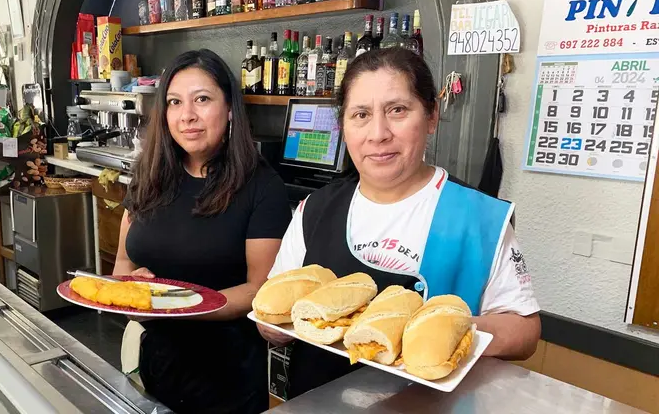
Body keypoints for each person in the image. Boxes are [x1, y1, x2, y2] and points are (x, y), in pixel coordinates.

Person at [258, 48, 541, 397]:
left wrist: (443, 329)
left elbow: (524, 333)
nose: (378, 133)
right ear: (343, 126)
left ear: (431, 117)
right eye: (361, 114)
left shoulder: (480, 217)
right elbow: (272, 314)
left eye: (398, 110)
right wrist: (276, 327)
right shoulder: (314, 210)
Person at [114, 49, 292, 413]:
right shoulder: (150, 176)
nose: (187, 116)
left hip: (228, 378)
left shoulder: (261, 186)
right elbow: (123, 262)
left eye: (202, 100)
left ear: (229, 109)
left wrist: (175, 306)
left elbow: (260, 289)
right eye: (175, 102)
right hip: (156, 366)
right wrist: (130, 293)